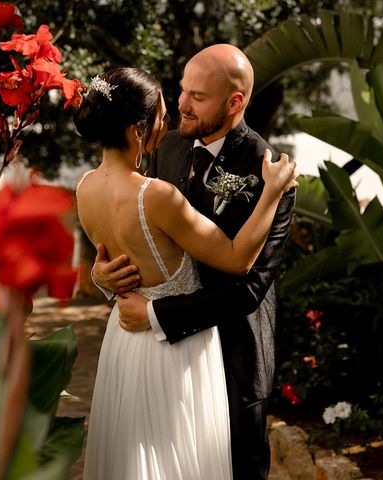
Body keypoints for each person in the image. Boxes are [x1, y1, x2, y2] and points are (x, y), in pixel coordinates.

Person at [75, 67, 296, 480]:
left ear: (235, 102)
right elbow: (232, 257)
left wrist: (130, 294)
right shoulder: (163, 167)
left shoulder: (85, 185)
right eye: (176, 97)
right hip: (175, 356)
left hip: (219, 349)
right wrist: (103, 277)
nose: (178, 110)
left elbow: (250, 286)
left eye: (197, 96)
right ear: (139, 131)